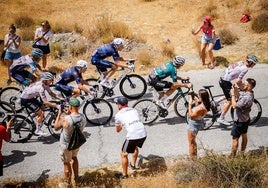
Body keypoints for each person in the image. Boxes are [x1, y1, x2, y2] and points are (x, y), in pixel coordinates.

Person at [53, 97, 87, 187]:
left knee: (66, 162)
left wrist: (59, 114)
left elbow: (56, 128)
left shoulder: (66, 119)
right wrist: (69, 113)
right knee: (74, 158)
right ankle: (77, 179)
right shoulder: (83, 117)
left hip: (66, 145)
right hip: (76, 143)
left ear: (70, 107)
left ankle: (68, 183)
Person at [217, 54, 258, 125]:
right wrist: (244, 88)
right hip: (225, 81)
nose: (253, 65)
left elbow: (232, 69)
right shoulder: (245, 69)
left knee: (231, 91)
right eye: (254, 63)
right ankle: (221, 118)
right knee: (230, 100)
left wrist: (238, 86)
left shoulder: (241, 62)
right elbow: (238, 81)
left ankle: (216, 102)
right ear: (250, 62)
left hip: (223, 78)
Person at [114, 96, 147, 179]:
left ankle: (124, 175)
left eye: (117, 104)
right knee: (135, 147)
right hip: (143, 132)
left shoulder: (118, 115)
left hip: (133, 134)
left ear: (120, 105)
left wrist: (121, 125)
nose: (117, 105)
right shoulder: (134, 110)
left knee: (123, 154)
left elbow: (118, 130)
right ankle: (133, 165)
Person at [20, 72, 61, 136]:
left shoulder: (44, 84)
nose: (52, 81)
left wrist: (60, 98)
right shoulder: (40, 88)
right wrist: (56, 106)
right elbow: (45, 102)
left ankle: (33, 116)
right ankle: (37, 130)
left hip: (29, 98)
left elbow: (51, 93)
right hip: (25, 100)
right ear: (45, 80)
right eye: (50, 80)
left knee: (43, 107)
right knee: (41, 113)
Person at [230, 78, 256, 157]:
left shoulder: (246, 98)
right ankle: (242, 154)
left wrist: (232, 95)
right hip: (245, 119)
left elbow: (234, 105)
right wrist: (235, 90)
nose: (242, 85)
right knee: (244, 135)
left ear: (248, 86)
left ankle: (233, 157)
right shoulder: (249, 93)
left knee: (235, 139)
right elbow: (240, 97)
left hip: (239, 121)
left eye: (244, 84)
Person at [187, 89, 210, 158]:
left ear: (201, 97)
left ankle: (193, 160)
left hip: (193, 125)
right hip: (197, 123)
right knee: (193, 142)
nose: (197, 96)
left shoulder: (201, 108)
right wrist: (196, 102)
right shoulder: (205, 104)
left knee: (191, 143)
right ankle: (195, 156)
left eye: (198, 95)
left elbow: (190, 115)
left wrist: (190, 104)